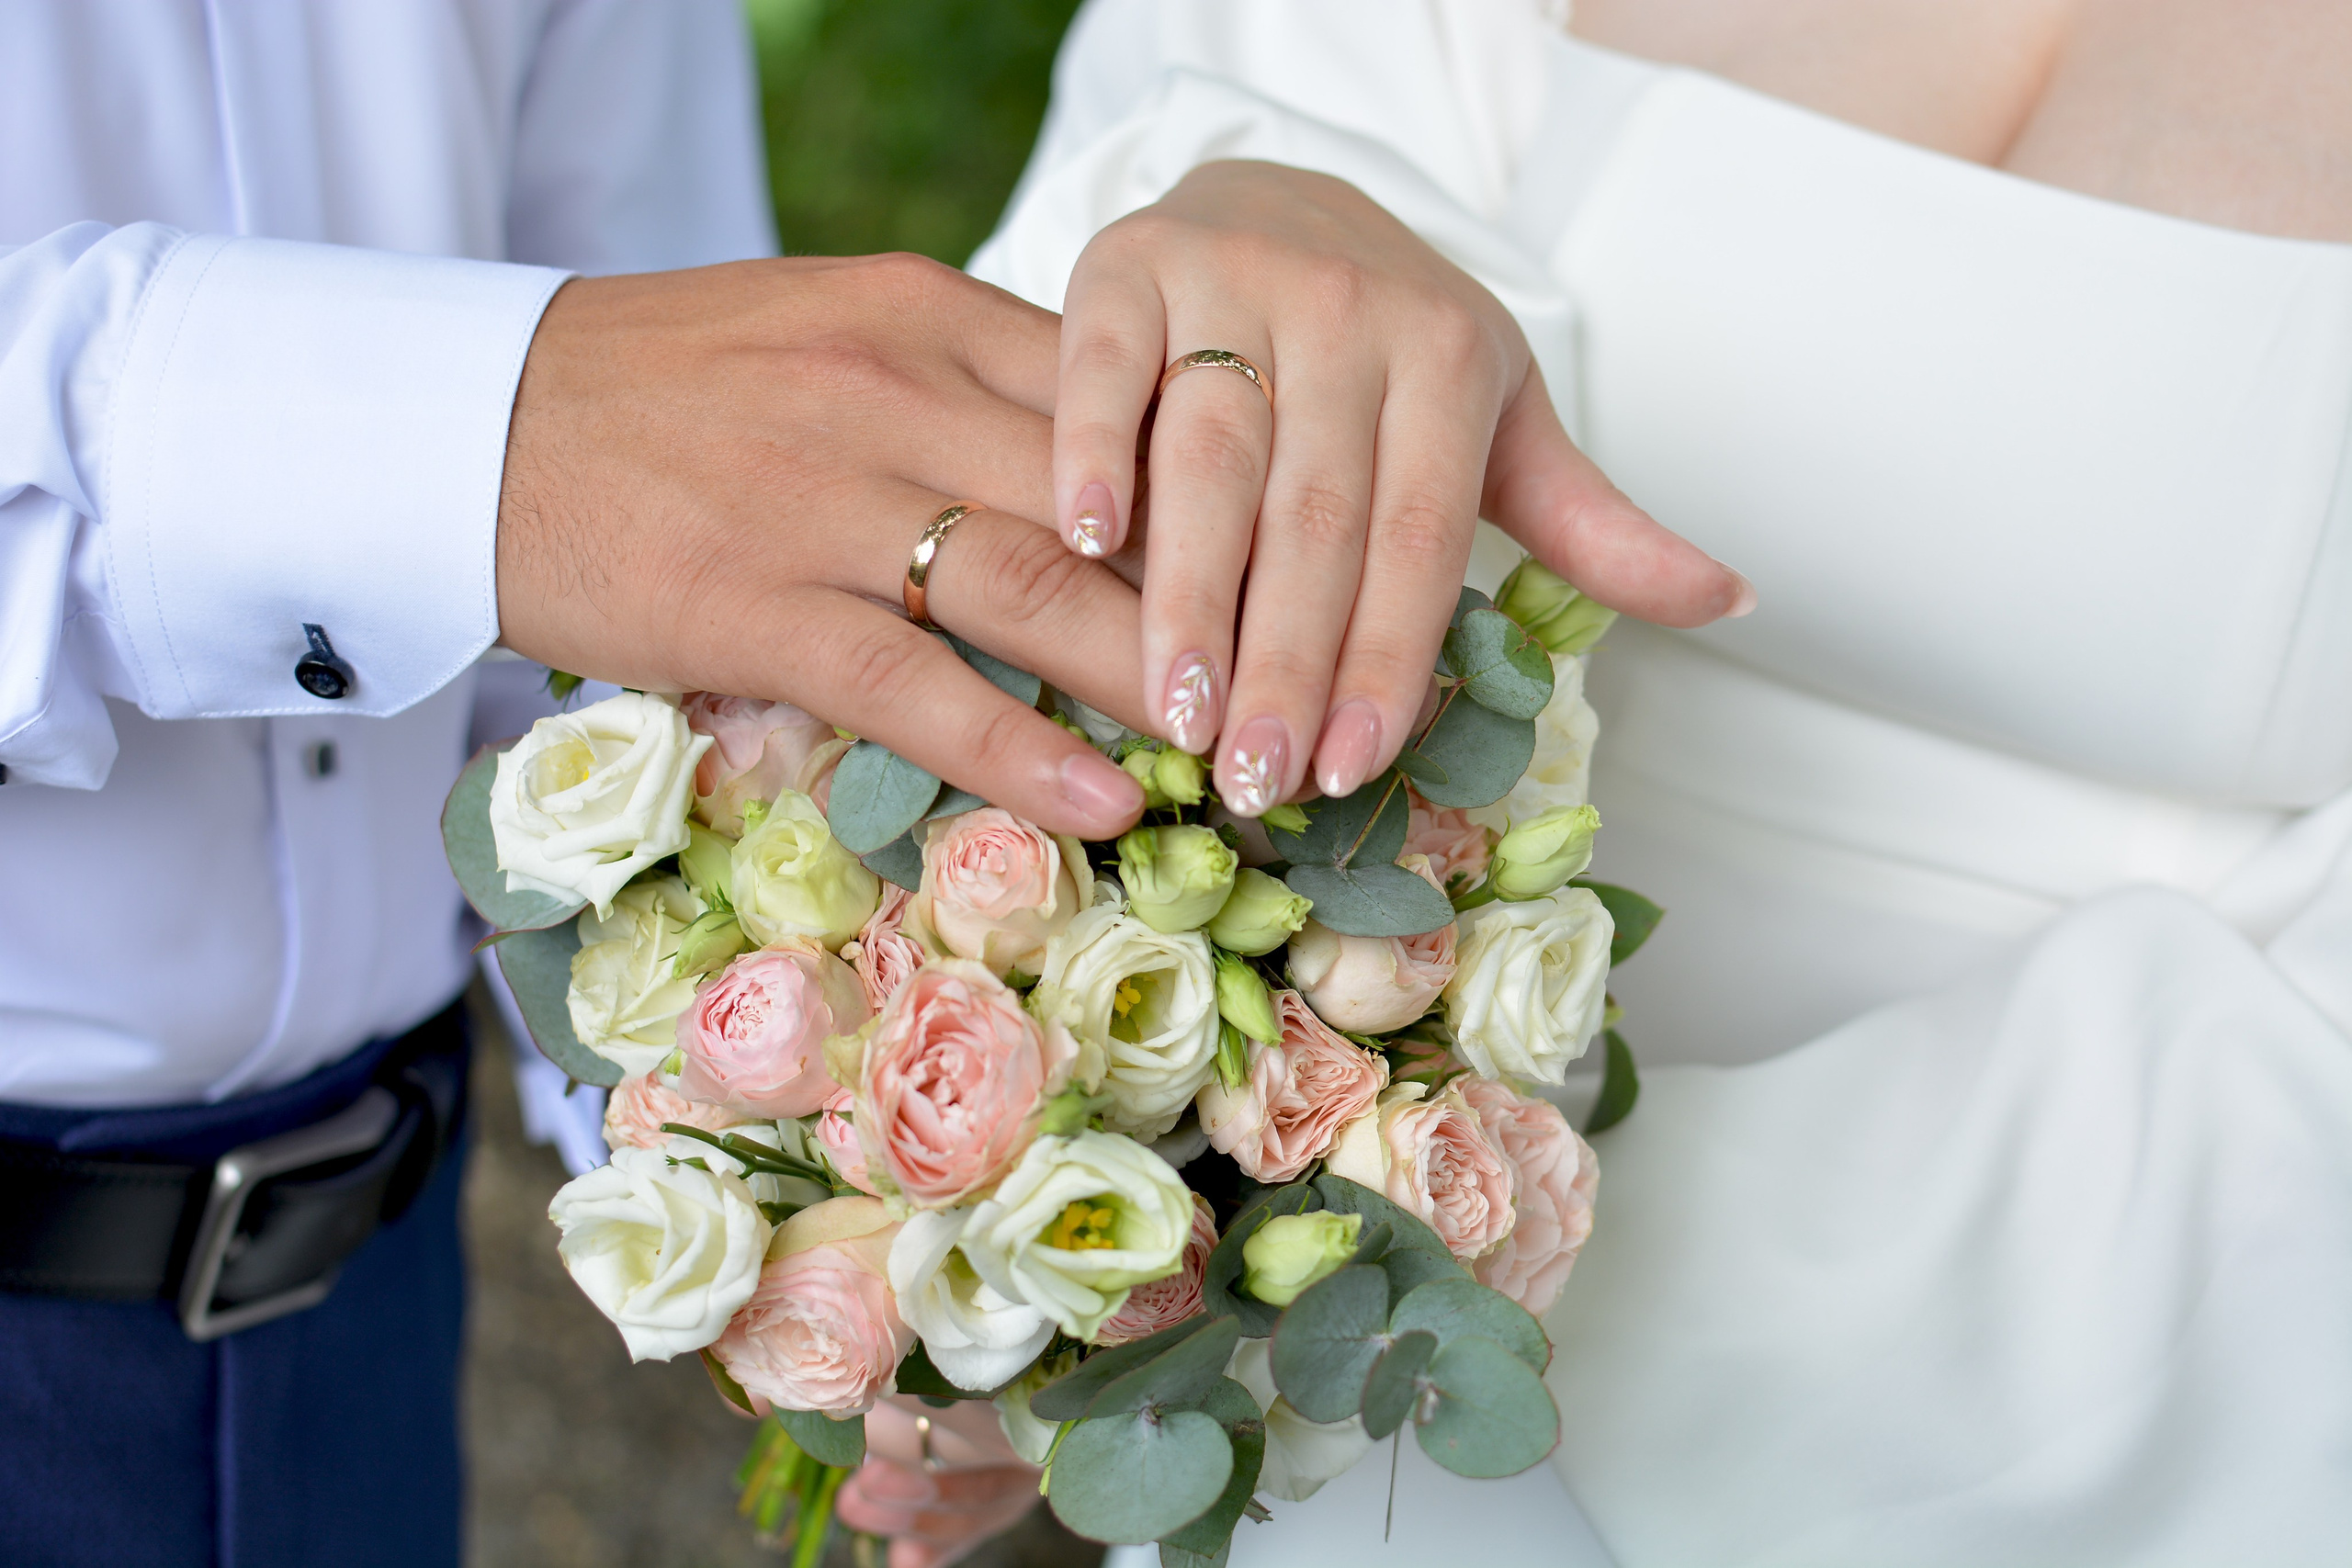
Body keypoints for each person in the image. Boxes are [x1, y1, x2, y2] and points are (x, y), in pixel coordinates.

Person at [0, 5, 1735, 1564]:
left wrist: (846, 1241)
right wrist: (467, 438)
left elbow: (688, 462)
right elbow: (583, 426)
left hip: (359, 1309)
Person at [842, 0, 2352, 1562]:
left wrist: (1466, 1252)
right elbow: (1201, 161)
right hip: (1338, 1169)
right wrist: (1107, 1185)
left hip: (2122, 1309)